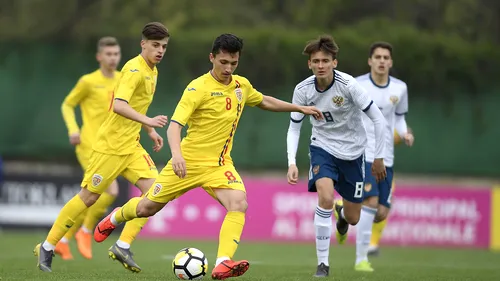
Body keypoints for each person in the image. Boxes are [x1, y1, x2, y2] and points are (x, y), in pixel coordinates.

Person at [93, 33, 323, 280]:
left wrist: (298, 107)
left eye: (233, 63)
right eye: (223, 62)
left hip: (219, 165)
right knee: (148, 207)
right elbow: (174, 126)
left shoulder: (240, 86)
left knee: (239, 203)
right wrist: (177, 155)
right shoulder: (197, 88)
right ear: (212, 58)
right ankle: (114, 217)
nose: (228, 68)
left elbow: (263, 100)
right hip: (187, 163)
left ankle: (223, 262)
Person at [34, 22, 170, 273]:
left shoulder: (153, 71)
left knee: (156, 194)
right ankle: (48, 246)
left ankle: (122, 244)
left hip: (132, 146)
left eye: (163, 46)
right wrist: (149, 122)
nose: (160, 50)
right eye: (155, 45)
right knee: (89, 197)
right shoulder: (133, 69)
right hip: (110, 146)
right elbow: (118, 105)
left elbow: (137, 106)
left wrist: (149, 131)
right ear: (143, 44)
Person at [286, 35, 387, 277]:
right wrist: (291, 161)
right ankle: (323, 264)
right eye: (316, 61)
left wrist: (379, 156)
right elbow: (294, 127)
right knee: (326, 197)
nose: (320, 65)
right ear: (309, 64)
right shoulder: (302, 90)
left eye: (325, 60)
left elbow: (378, 118)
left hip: (354, 153)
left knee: (353, 218)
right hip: (322, 148)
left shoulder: (349, 85)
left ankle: (342, 215)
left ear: (335, 62)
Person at [57, 36, 122, 261]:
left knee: (91, 197)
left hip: (110, 146)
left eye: (116, 54)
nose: (113, 58)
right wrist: (73, 129)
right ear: (99, 57)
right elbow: (67, 104)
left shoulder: (123, 79)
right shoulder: (88, 81)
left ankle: (64, 240)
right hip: (88, 145)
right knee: (110, 191)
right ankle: (85, 231)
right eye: (109, 54)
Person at [354, 42, 414, 270]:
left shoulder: (399, 88)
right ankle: (361, 259)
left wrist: (404, 133)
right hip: (363, 152)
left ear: (390, 62)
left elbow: (399, 118)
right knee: (370, 201)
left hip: (386, 155)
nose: (381, 61)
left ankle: (344, 210)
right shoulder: (358, 85)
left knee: (380, 212)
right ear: (370, 61)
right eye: (377, 57)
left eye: (385, 57)